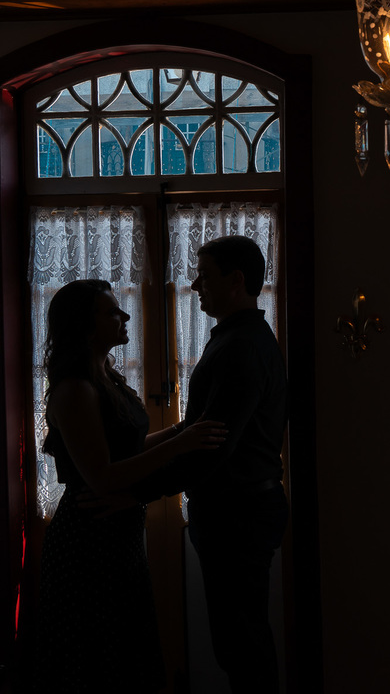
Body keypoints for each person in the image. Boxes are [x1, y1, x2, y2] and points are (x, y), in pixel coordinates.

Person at [22, 279, 226, 693]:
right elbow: (103, 476)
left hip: (118, 532)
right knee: (99, 656)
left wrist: (179, 432)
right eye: (112, 311)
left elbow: (125, 449)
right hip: (89, 538)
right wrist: (181, 445)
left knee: (124, 645)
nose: (126, 316)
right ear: (84, 324)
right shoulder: (74, 390)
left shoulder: (105, 379)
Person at [133, 235, 289, 694]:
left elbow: (212, 445)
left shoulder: (241, 346)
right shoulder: (240, 339)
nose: (195, 284)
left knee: (241, 646)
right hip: (239, 511)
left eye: (205, 274)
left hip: (237, 516)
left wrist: (134, 490)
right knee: (241, 642)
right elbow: (201, 428)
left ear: (236, 280)